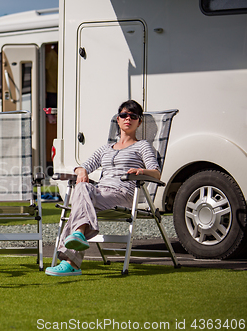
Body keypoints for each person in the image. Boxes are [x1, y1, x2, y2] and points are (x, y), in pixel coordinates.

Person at [45, 100, 161, 276]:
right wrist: (81, 171)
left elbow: (156, 173)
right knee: (82, 187)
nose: (128, 118)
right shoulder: (106, 148)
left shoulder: (142, 145)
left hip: (122, 193)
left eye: (133, 116)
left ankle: (71, 260)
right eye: (124, 115)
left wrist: (142, 171)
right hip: (99, 192)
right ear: (118, 119)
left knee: (79, 204)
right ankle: (77, 239)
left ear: (139, 121)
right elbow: (84, 165)